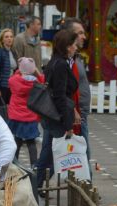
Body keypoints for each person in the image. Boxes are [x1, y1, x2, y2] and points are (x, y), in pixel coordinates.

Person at [34, 29, 78, 195]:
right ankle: (36, 184)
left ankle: (36, 184)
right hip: (56, 116)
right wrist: (67, 123)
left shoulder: (55, 61)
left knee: (48, 151)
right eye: (73, 45)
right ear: (67, 47)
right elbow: (60, 95)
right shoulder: (60, 64)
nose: (75, 47)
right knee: (54, 154)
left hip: (50, 115)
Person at [60, 18, 91, 160]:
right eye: (80, 33)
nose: (84, 37)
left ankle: (38, 179)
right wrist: (74, 111)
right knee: (82, 156)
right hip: (74, 116)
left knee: (67, 156)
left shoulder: (76, 58)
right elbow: (63, 90)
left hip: (80, 114)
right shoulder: (65, 61)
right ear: (70, 36)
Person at [8, 57, 43, 167]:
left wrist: (20, 69)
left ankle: (14, 164)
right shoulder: (36, 83)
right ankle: (34, 166)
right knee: (31, 142)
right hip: (30, 117)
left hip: (16, 116)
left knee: (17, 141)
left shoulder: (14, 81)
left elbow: (12, 78)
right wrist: (36, 71)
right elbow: (43, 80)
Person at [0, 29, 17, 107]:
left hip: (10, 87)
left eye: (11, 37)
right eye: (6, 37)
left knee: (8, 111)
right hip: (1, 86)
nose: (9, 39)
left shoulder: (12, 51)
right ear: (2, 39)